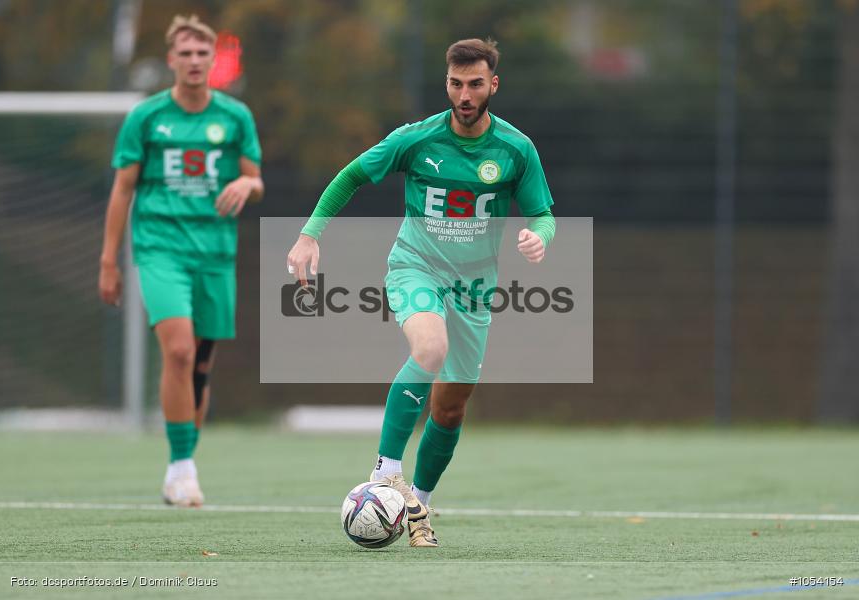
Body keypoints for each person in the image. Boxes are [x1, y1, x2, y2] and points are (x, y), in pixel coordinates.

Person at [287, 38, 555, 546]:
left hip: (475, 290)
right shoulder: (416, 139)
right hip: (416, 268)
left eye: (476, 84)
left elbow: (542, 213)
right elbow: (351, 175)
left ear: (493, 85)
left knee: (450, 409)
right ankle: (387, 472)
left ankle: (419, 507)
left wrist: (537, 237)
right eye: (457, 83)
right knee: (430, 349)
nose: (465, 94)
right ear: (447, 83)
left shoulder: (516, 149)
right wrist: (308, 234)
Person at [98, 15, 263, 507]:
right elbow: (122, 188)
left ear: (214, 61)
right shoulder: (146, 118)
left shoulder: (235, 117)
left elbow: (257, 180)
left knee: (200, 366)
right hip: (160, 249)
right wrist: (109, 261)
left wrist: (245, 183)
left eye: (202, 54)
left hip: (214, 253)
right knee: (179, 351)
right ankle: (181, 467)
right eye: (185, 54)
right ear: (172, 60)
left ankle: (183, 462)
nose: (194, 62)